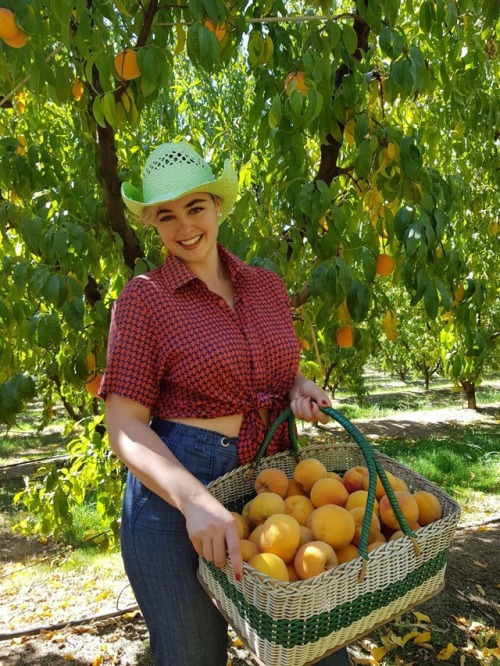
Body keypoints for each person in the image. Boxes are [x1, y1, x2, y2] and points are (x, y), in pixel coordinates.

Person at [100, 141, 351, 666]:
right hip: (178, 492)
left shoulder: (266, 287)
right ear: (151, 222)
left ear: (218, 205)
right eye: (166, 215)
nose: (184, 226)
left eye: (195, 207)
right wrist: (192, 499)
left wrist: (295, 387)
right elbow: (123, 424)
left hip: (271, 481)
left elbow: (271, 368)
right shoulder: (144, 299)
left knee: (317, 649)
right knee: (193, 656)